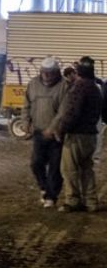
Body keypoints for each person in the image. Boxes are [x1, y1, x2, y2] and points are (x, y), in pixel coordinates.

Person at [47, 56, 102, 212]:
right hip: (91, 135)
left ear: (79, 71)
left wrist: (61, 129)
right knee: (87, 169)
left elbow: (72, 112)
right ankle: (91, 201)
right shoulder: (95, 88)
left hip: (76, 136)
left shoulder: (79, 87)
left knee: (69, 169)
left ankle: (72, 200)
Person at [21, 57, 67, 208]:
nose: (47, 76)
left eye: (50, 73)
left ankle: (51, 197)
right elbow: (26, 105)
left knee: (55, 167)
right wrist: (25, 121)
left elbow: (63, 111)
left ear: (56, 72)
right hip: (39, 132)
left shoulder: (63, 86)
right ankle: (44, 187)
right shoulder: (33, 84)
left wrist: (52, 128)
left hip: (56, 135)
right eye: (44, 72)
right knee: (36, 163)